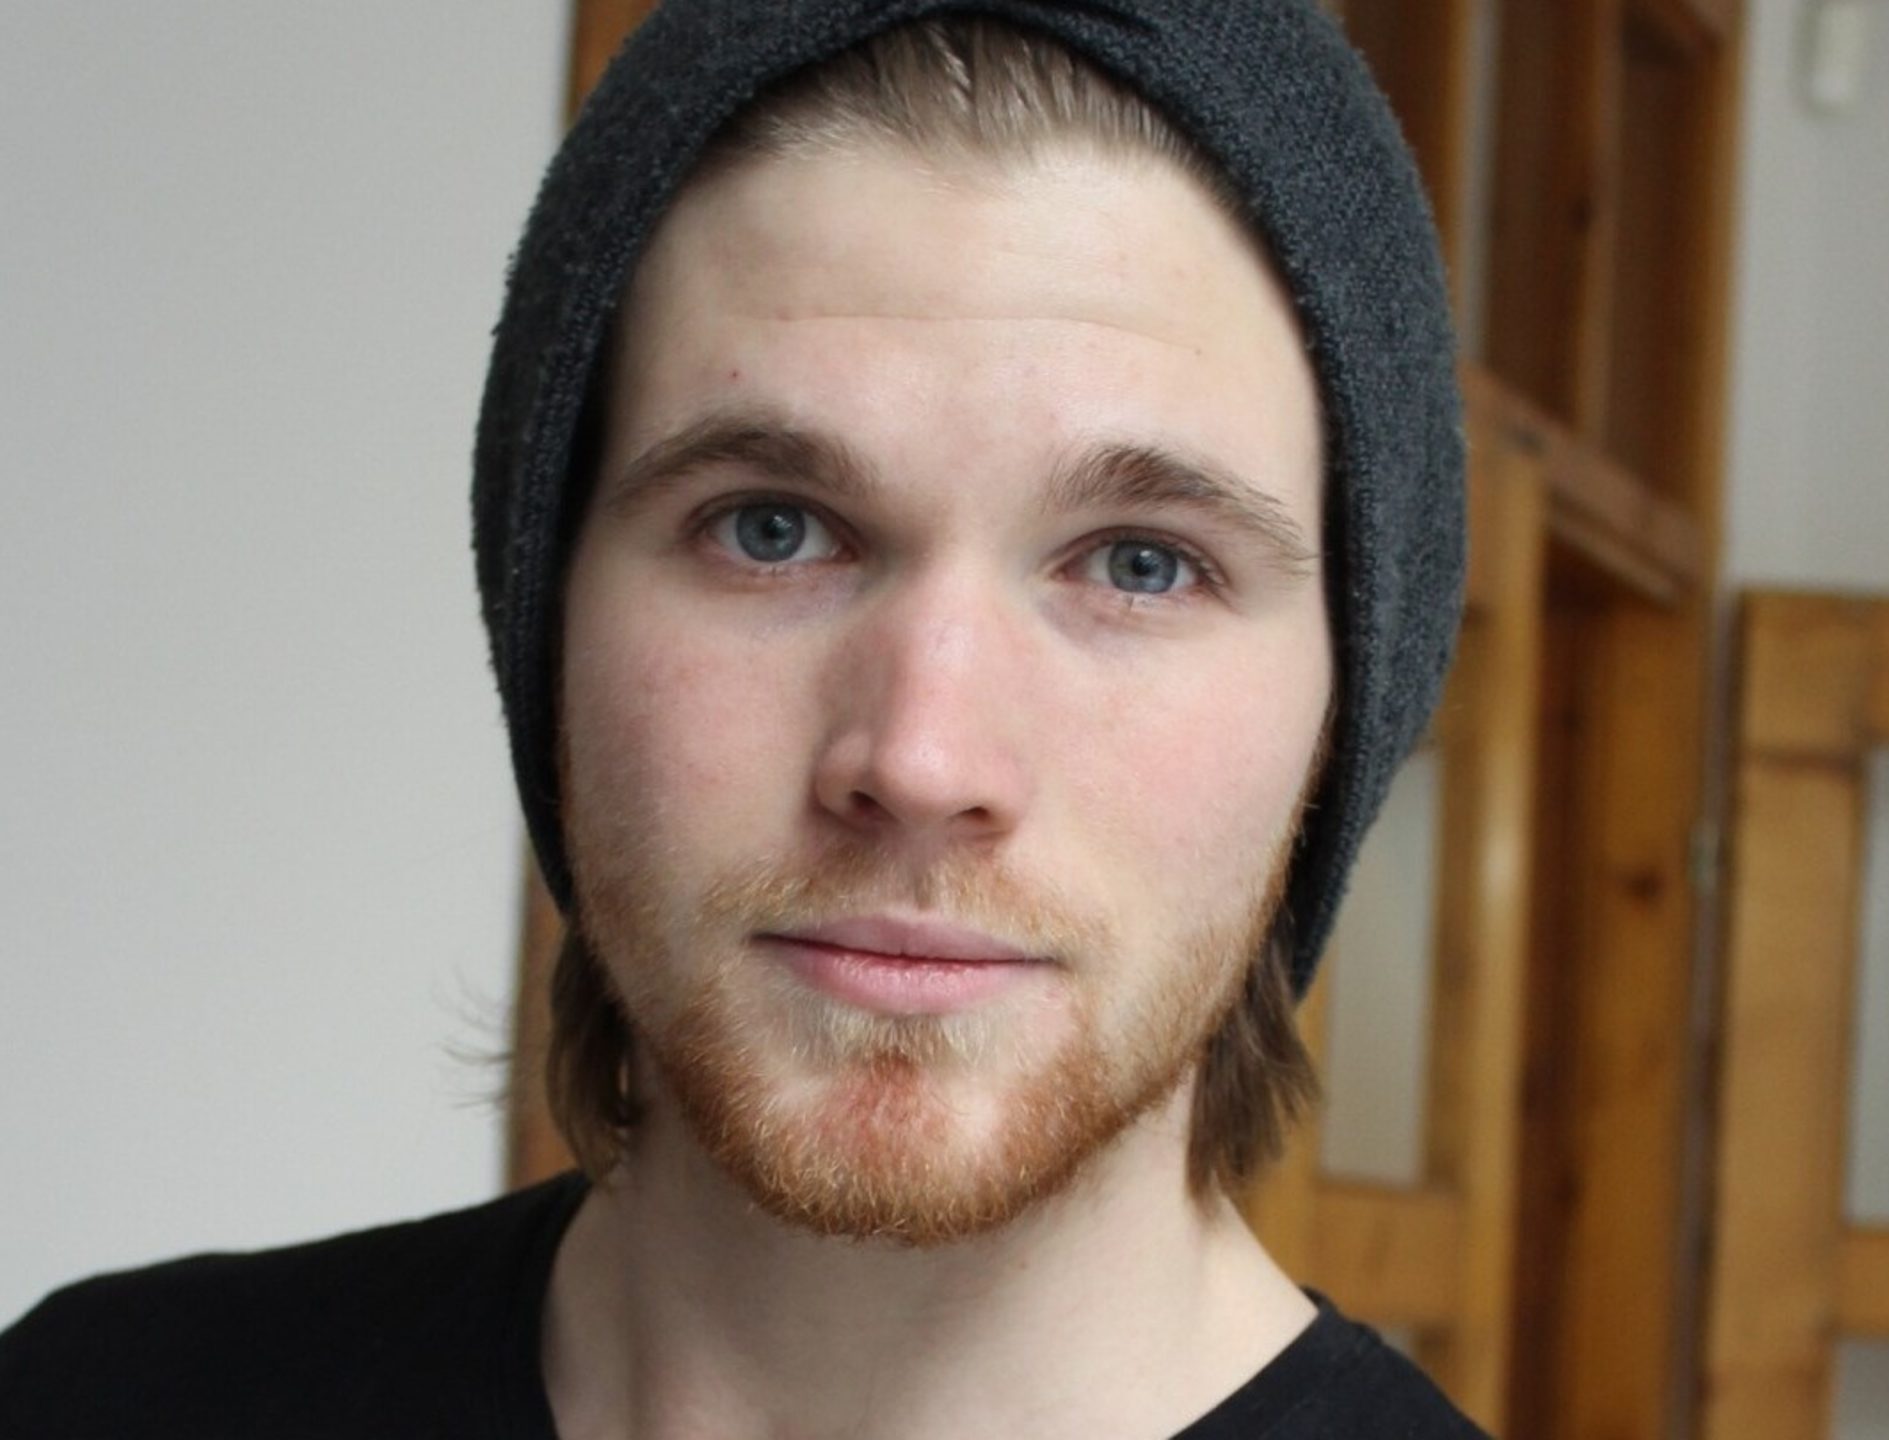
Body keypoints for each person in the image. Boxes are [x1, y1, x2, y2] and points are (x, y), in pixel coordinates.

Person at [0, 2, 1478, 1436]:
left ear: (1343, 709)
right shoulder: (93, 1399)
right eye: (772, 529)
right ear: (547, 620)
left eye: (1141, 564)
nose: (921, 759)